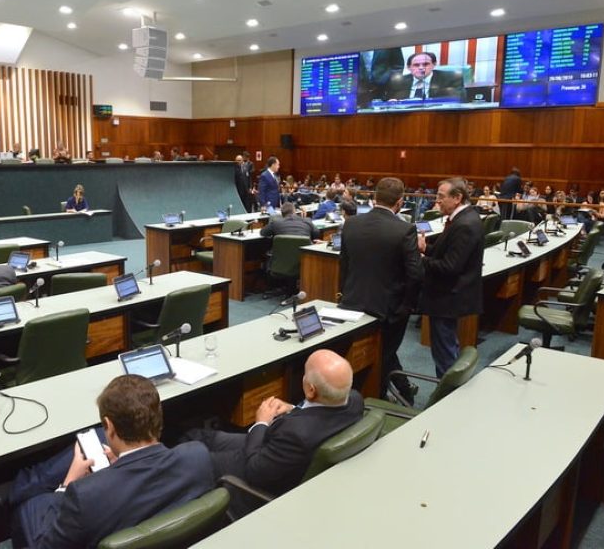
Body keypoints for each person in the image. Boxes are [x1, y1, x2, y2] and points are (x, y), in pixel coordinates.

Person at [9, 375, 213, 548]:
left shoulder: (84, 495)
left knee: (30, 504)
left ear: (109, 425)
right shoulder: (197, 456)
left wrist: (67, 485)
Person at [184, 349, 363, 515]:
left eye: (305, 374)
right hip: (276, 448)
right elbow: (317, 415)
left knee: (194, 458)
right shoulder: (354, 400)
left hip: (254, 466)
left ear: (310, 390)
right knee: (203, 437)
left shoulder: (296, 435)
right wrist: (293, 408)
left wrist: (261, 422)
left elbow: (254, 470)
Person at [340, 177, 423, 403]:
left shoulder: (351, 224)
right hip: (389, 309)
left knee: (365, 351)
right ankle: (380, 398)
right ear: (400, 202)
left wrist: (343, 296)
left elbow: (344, 266)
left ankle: (401, 388)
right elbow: (415, 274)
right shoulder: (405, 229)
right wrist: (406, 307)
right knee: (383, 354)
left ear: (374, 197)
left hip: (352, 303)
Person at [418, 177, 484, 377]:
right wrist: (427, 249)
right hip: (449, 295)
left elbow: (449, 267)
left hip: (448, 297)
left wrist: (420, 258)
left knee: (444, 352)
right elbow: (446, 254)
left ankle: (446, 395)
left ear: (457, 198)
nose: (437, 201)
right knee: (448, 346)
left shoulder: (464, 224)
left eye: (441, 197)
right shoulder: (463, 219)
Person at [384, 52, 465, 102]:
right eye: (416, 65)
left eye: (426, 64)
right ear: (409, 67)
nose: (421, 68)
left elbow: (460, 100)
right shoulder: (397, 82)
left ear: (434, 65)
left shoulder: (450, 78)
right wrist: (391, 103)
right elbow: (387, 103)